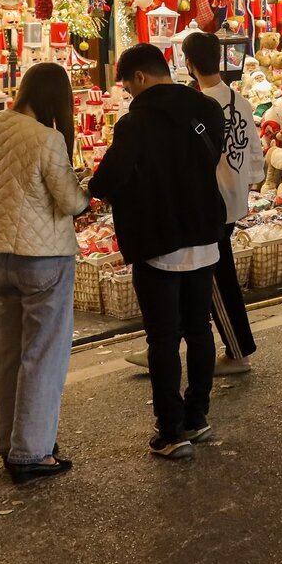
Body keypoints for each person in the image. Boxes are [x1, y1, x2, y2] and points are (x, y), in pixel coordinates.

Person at [86, 44, 228, 460]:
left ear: (140, 78)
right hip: (204, 234)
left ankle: (171, 431)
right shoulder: (207, 110)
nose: (128, 92)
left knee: (163, 339)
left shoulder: (137, 122)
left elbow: (110, 176)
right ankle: (197, 415)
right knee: (199, 330)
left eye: (128, 84)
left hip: (159, 240)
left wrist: (91, 194)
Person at [0, 62, 88, 484]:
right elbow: (71, 202)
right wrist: (87, 190)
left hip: (3, 257)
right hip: (46, 257)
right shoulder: (49, 139)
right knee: (44, 355)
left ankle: (11, 442)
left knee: (11, 353)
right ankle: (32, 452)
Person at [187, 33, 264, 372]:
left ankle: (238, 352)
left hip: (211, 204)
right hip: (233, 199)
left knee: (216, 277)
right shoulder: (239, 100)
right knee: (197, 273)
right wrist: (244, 187)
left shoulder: (197, 106)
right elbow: (255, 154)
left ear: (188, 64)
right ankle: (164, 340)